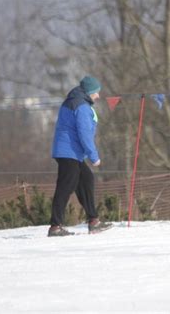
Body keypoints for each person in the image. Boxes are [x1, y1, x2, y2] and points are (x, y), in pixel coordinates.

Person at [48, 76, 112, 236]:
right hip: (68, 152)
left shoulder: (74, 100)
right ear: (89, 92)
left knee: (86, 179)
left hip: (71, 152)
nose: (98, 96)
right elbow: (84, 134)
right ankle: (55, 226)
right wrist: (93, 156)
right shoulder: (81, 106)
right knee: (66, 186)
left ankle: (93, 220)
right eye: (96, 92)